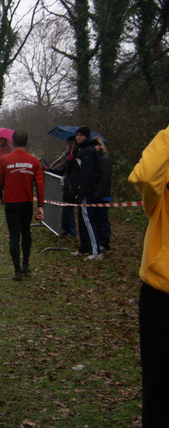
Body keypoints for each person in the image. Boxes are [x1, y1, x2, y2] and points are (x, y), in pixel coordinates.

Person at [128, 125, 169, 425]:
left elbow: (144, 175)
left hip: (161, 291)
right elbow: (146, 177)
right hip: (162, 288)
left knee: (158, 390)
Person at [0, 130, 45, 281]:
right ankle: (25, 264)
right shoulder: (34, 161)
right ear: (27, 143)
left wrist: (0, 196)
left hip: (11, 202)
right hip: (27, 202)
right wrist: (40, 205)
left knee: (14, 235)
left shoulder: (4, 160)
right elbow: (40, 184)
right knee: (26, 232)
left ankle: (17, 271)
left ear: (12, 142)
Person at [71, 126, 102, 260]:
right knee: (82, 220)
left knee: (87, 219)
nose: (78, 137)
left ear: (86, 137)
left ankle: (95, 251)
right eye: (77, 135)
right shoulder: (81, 150)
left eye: (81, 135)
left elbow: (87, 174)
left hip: (87, 191)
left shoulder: (88, 151)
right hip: (82, 189)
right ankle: (84, 248)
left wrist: (81, 192)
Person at [47, 136, 78, 238]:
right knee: (64, 209)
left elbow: (67, 172)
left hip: (71, 186)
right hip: (66, 185)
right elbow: (61, 171)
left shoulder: (76, 157)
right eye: (67, 144)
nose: (68, 146)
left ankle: (72, 231)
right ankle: (65, 228)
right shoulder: (67, 156)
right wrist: (49, 170)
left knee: (69, 209)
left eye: (70, 144)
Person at [92, 137, 112, 251]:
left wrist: (98, 194)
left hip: (103, 195)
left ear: (100, 146)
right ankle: (99, 240)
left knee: (102, 218)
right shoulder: (96, 158)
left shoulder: (105, 159)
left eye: (96, 145)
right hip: (96, 194)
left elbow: (105, 178)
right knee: (96, 218)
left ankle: (104, 242)